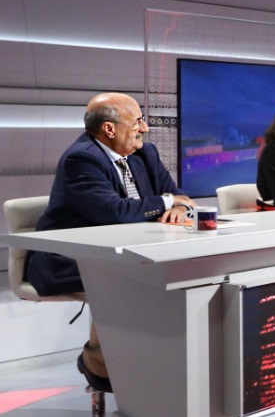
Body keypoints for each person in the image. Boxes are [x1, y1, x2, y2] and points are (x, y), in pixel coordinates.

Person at [26, 92, 198, 390]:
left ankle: (153, 370)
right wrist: (167, 201)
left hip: (128, 254)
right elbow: (114, 212)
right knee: (140, 285)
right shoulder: (81, 159)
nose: (144, 128)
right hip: (73, 259)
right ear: (109, 129)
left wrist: (180, 207)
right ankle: (102, 363)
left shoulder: (146, 153)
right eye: (138, 121)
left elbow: (180, 196)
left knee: (174, 280)